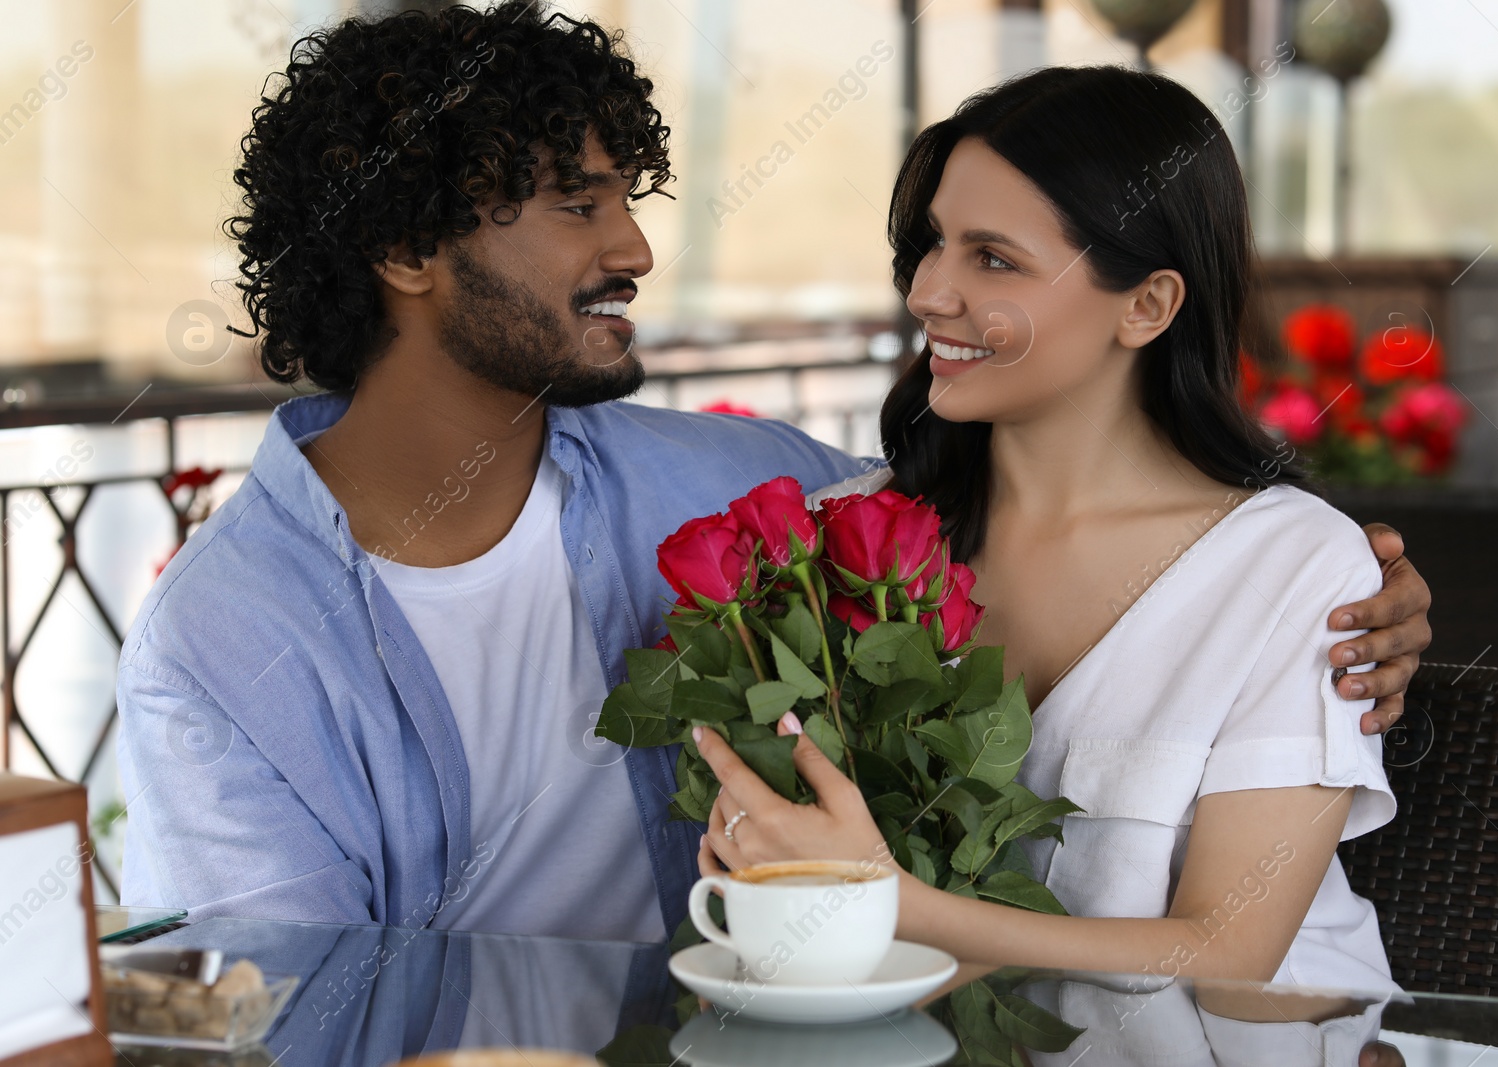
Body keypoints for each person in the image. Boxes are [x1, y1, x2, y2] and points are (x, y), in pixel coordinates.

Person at [118, 6, 1427, 944]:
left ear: (1148, 300)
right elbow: (288, 1009)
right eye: (578, 203)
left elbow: (1043, 512)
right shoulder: (225, 644)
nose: (636, 241)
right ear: (408, 247)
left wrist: (1323, 576)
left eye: (628, 194)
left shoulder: (737, 491)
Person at [696, 66, 1421, 991]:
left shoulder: (1292, 566)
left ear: (1148, 305)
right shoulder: (832, 541)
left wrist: (894, 905)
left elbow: (1232, 952)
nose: (929, 293)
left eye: (992, 258)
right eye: (933, 245)